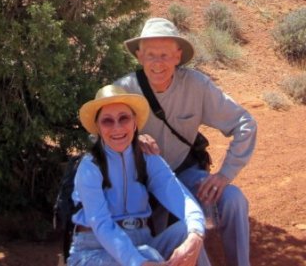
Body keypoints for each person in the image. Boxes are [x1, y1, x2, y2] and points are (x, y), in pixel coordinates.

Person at [115, 17, 257, 266]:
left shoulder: (196, 86)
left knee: (233, 200)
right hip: (141, 185)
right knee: (186, 231)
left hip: (185, 174)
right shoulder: (124, 90)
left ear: (178, 56)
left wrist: (225, 174)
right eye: (150, 55)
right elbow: (97, 136)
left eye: (165, 55)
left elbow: (245, 123)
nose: (157, 63)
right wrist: (130, 141)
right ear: (139, 56)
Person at [67, 84, 211, 266]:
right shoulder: (90, 167)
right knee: (149, 255)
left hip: (143, 241)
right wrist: (139, 262)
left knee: (188, 233)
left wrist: (196, 235)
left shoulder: (146, 157)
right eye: (107, 121)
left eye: (124, 118)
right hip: (93, 251)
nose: (117, 127)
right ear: (97, 127)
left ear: (135, 123)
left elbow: (180, 197)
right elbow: (102, 224)